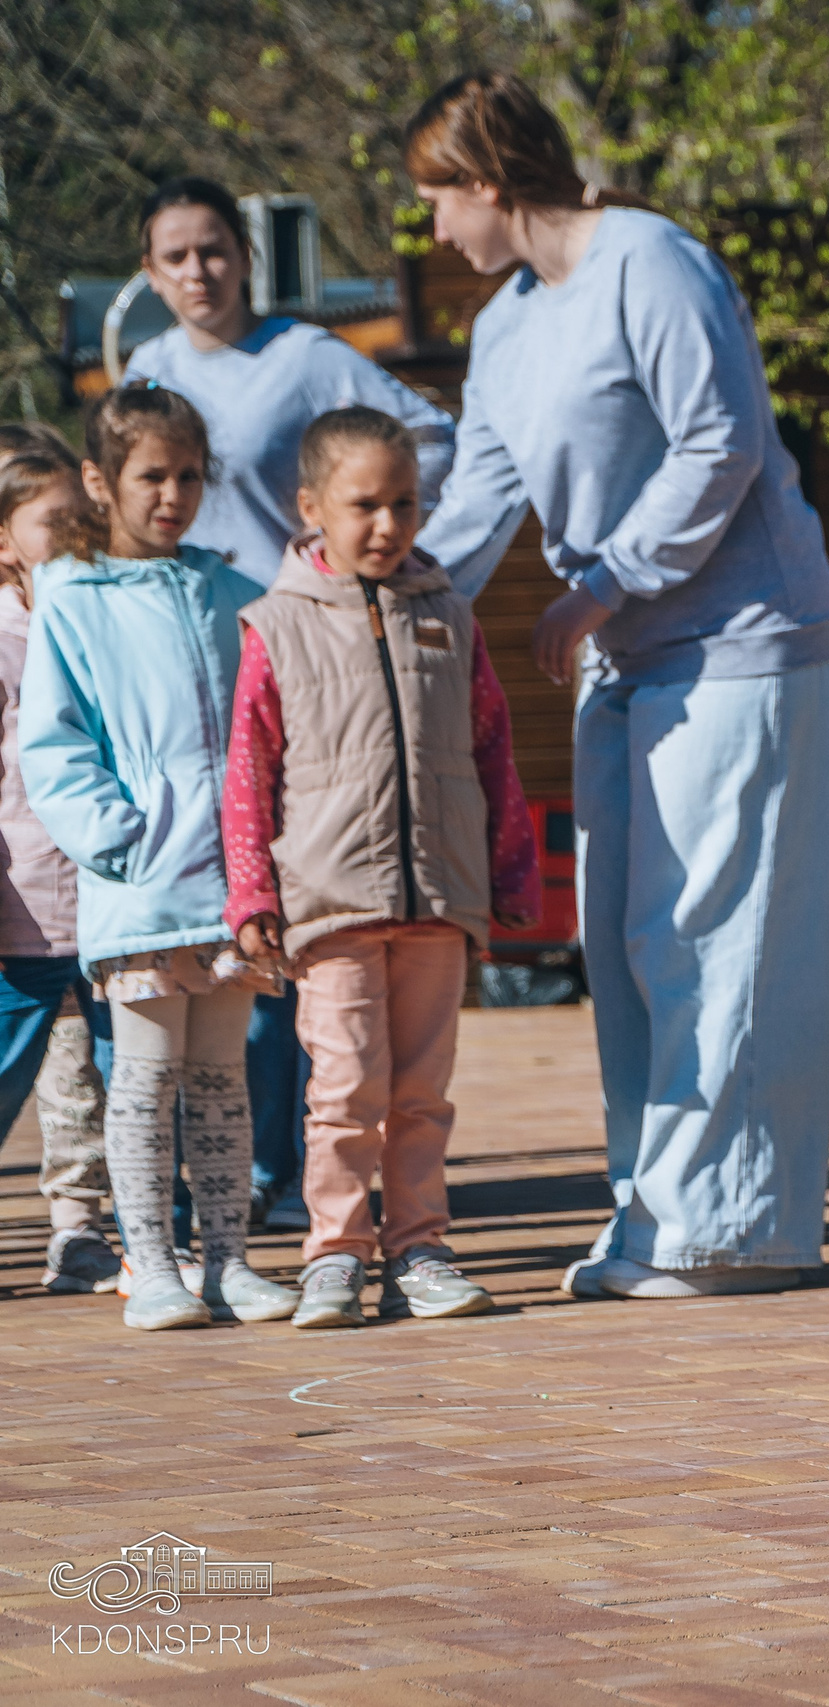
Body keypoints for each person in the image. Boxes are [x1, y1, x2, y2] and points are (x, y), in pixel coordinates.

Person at [405, 72, 829, 1299]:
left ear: (489, 181)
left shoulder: (651, 262)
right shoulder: (507, 326)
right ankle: (654, 1213)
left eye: (438, 198)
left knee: (710, 933)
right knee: (626, 939)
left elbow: (723, 438)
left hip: (745, 642)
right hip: (624, 655)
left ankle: (733, 1235)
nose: (435, 228)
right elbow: (485, 496)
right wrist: (381, 589)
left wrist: (601, 582)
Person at [123, 176, 459, 1238]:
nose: (197, 271)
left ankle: (275, 1165)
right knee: (217, 894)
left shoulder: (306, 356)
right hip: (184, 647)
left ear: (244, 258)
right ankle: (206, 1163)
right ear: (150, 272)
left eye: (214, 250)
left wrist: (348, 556)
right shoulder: (149, 369)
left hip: (294, 634)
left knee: (290, 899)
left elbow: (428, 438)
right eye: (175, 256)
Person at [226, 407, 541, 1329]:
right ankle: (333, 1252)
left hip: (438, 899)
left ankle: (421, 1248)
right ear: (311, 506)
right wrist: (252, 893)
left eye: (404, 503)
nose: (388, 524)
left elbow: (492, 750)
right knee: (346, 1087)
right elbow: (248, 771)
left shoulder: (449, 614)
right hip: (331, 903)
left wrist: (509, 872)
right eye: (364, 504)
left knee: (421, 1092)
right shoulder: (274, 625)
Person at [20, 387, 300, 1332]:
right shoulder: (73, 598)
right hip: (140, 888)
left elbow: (268, 728)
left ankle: (227, 1261)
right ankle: (152, 1264)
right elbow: (54, 744)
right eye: (151, 476)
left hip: (230, 890)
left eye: (188, 475)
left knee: (223, 1076)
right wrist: (120, 837)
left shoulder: (230, 590)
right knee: (143, 1078)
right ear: (101, 482)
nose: (173, 494)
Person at [0, 427, 119, 1294]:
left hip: (111, 899)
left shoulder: (103, 618)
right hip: (24, 905)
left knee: (99, 1079)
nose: (77, 533)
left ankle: (85, 1232)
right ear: (6, 538)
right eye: (54, 521)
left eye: (86, 516)